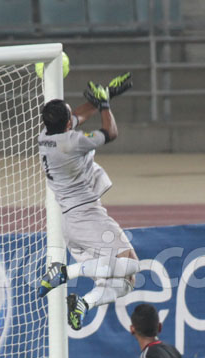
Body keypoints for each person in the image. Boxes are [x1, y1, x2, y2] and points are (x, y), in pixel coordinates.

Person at [36, 73, 140, 331]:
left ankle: (84, 303)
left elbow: (80, 114)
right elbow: (110, 132)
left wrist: (106, 96)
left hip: (71, 220)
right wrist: (104, 105)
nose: (75, 117)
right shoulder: (72, 143)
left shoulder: (45, 136)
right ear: (67, 125)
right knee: (131, 263)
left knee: (125, 281)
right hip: (88, 217)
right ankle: (65, 273)